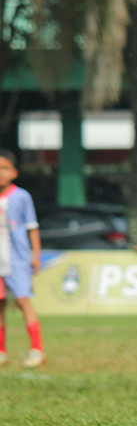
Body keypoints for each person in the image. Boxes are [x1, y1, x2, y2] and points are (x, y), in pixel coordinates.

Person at [0, 149, 45, 368]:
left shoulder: (21, 197)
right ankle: (1, 351)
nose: (0, 173)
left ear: (14, 172)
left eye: (4, 168)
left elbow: (32, 228)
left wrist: (35, 256)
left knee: (22, 300)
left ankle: (37, 349)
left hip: (17, 259)